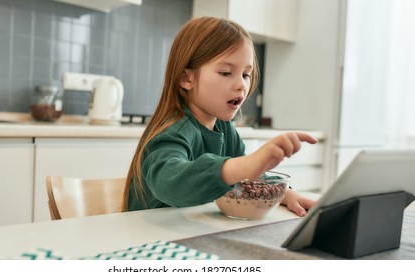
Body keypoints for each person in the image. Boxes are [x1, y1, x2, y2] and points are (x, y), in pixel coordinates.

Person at [122, 16, 318, 217]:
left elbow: (247, 180)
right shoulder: (172, 132)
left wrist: (286, 194)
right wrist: (244, 166)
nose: (242, 85)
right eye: (226, 73)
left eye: (246, 74)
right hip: (150, 239)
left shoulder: (225, 129)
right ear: (186, 78)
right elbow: (170, 183)